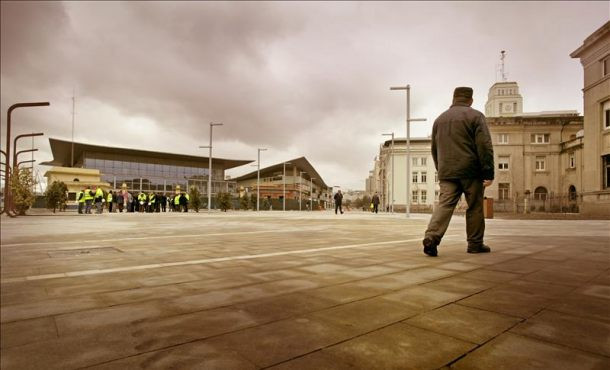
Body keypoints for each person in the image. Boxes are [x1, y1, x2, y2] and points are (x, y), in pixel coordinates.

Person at [422, 87, 494, 257]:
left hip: (447, 171)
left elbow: (434, 149)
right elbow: (485, 146)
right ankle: (475, 244)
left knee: (445, 205)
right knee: (475, 206)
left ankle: (432, 237)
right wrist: (488, 173)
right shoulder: (476, 116)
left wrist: (442, 169)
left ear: (453, 99)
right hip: (471, 171)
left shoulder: (439, 120)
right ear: (471, 100)